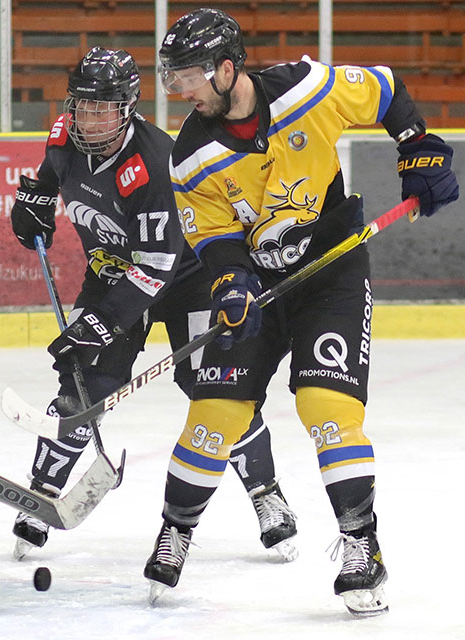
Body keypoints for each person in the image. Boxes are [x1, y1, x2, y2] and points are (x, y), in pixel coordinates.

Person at [145, 7, 459, 616]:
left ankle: (361, 545)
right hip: (260, 287)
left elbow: (386, 89)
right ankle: (176, 529)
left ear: (227, 68)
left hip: (331, 275)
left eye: (187, 77)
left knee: (327, 408)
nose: (178, 91)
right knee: (214, 413)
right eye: (172, 78)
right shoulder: (189, 154)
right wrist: (232, 282)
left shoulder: (306, 88)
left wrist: (416, 143)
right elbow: (213, 236)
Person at [9, 47, 298, 564]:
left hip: (184, 279)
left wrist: (99, 322)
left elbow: (157, 266)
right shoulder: (63, 136)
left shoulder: (153, 162)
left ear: (127, 109)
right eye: (82, 106)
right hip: (112, 274)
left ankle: (266, 493)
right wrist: (37, 201)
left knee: (211, 386)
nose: (89, 119)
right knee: (85, 384)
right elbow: (52, 174)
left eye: (102, 109)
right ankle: (40, 495)